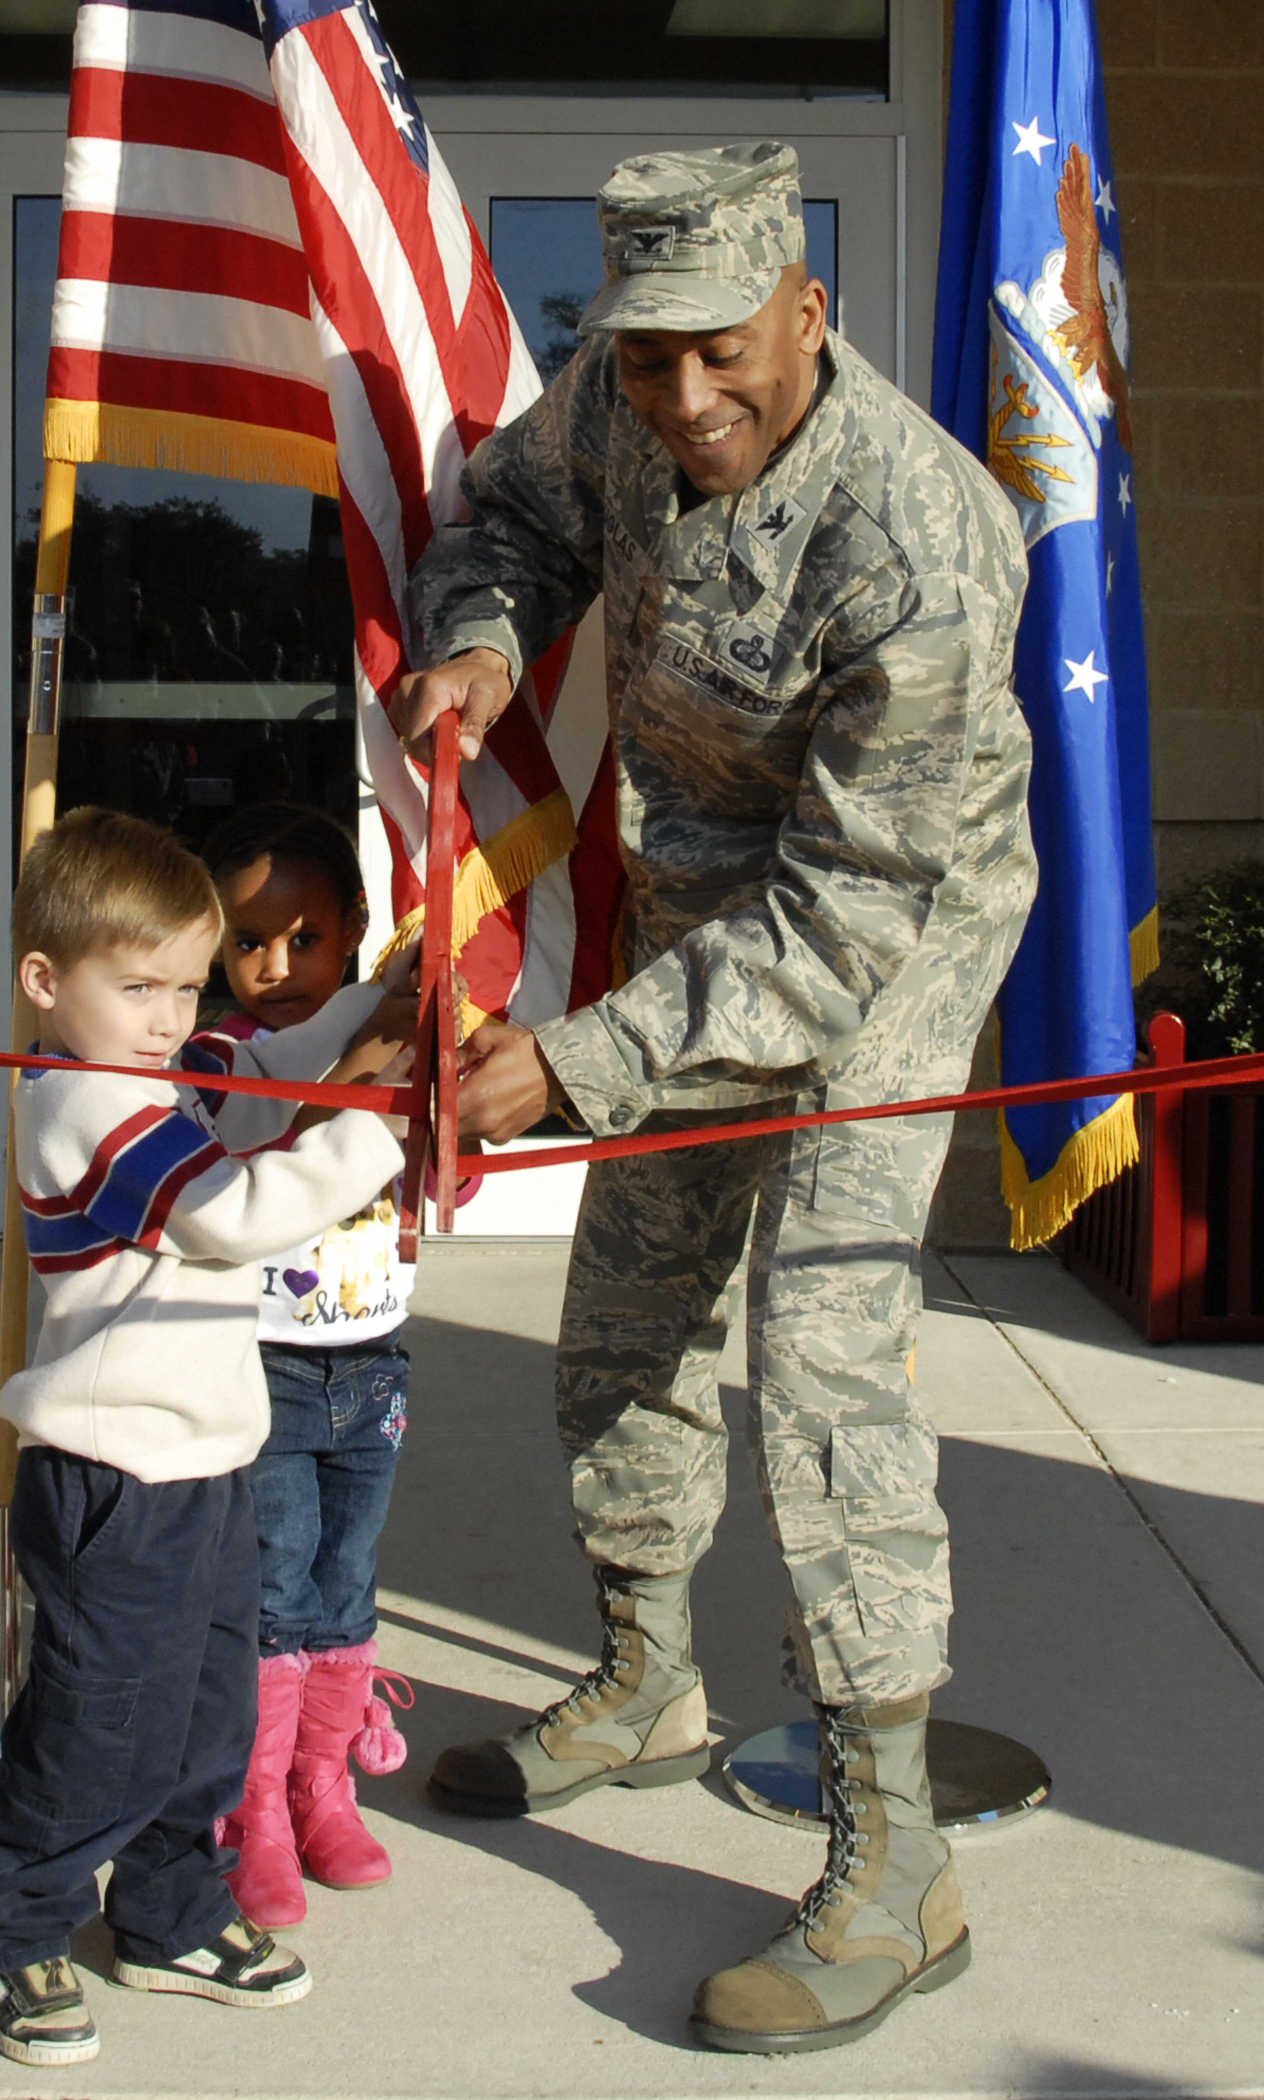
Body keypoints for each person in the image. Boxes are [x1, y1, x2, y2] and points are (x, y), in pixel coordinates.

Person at [393, 142, 1036, 2057]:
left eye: (723, 354)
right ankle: (645, 1677)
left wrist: (582, 1057)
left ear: (806, 313)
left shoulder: (919, 541)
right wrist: (484, 632)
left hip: (879, 948)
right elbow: (510, 515)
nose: (683, 401)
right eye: (648, 356)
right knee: (634, 1297)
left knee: (822, 1354)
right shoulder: (617, 393)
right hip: (695, 901)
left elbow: (844, 923)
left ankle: (895, 1863)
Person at [0, 807, 407, 2068]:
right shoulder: (87, 1106)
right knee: (101, 1719)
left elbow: (266, 1063)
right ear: (46, 982)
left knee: (208, 1713)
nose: (168, 1016)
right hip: (113, 1479)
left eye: (186, 987)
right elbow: (234, 1213)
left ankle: (165, 1914)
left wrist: (396, 988)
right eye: (137, 985)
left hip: (205, 1462)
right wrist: (376, 1128)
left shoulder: (151, 1073)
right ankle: (17, 1926)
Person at [190, 803, 471, 1929]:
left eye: (305, 938)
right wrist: (368, 1046)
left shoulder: (388, 1023)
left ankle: (322, 1784)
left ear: (355, 926)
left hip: (374, 1363)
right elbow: (260, 1114)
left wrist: (422, 1031)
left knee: (346, 1576)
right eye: (248, 942)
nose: (275, 964)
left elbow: (444, 1167)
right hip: (261, 1366)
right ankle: (251, 1806)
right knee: (274, 1579)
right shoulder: (213, 1055)